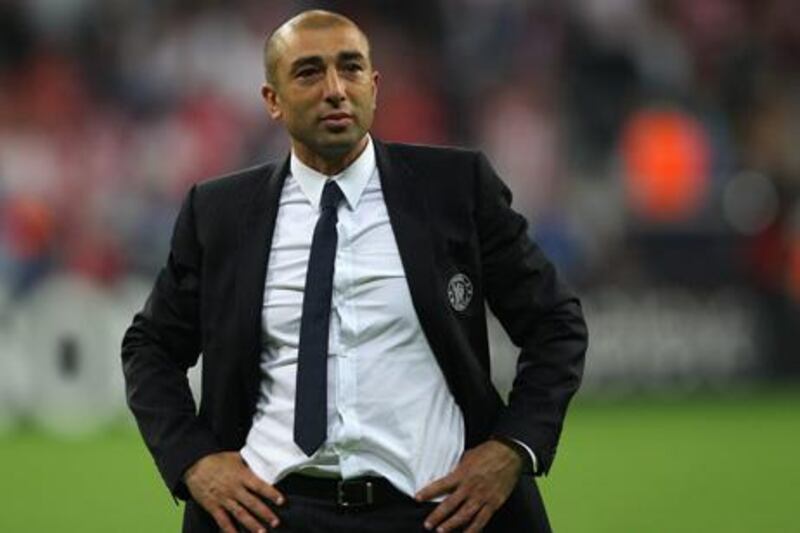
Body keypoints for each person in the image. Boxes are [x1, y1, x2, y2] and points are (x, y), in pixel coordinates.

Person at [122, 9, 587, 533]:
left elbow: (555, 324)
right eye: (309, 72)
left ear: (375, 85)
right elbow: (150, 348)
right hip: (272, 513)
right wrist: (194, 460)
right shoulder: (220, 213)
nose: (336, 89)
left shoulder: (455, 189)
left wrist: (510, 448)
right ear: (271, 101)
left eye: (351, 68)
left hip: (437, 511)